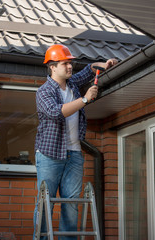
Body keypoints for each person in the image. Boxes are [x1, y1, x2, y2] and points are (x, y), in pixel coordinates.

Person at [33, 44, 118, 240]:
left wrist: (104, 65)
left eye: (71, 63)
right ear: (52, 67)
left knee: (71, 205)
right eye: (65, 64)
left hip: (74, 155)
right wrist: (85, 100)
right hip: (49, 156)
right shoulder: (44, 92)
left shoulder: (72, 84)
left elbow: (89, 70)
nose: (70, 67)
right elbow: (56, 113)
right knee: (46, 204)